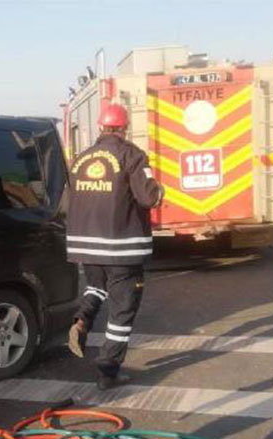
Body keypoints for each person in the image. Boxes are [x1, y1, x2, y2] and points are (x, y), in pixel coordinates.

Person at [65, 103, 164, 390]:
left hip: (86, 246)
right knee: (123, 309)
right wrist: (160, 192)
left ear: (100, 127)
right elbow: (148, 197)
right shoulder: (131, 155)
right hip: (121, 247)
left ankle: (82, 319)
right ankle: (108, 370)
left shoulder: (81, 159)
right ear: (124, 128)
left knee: (96, 287)